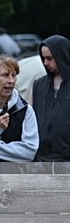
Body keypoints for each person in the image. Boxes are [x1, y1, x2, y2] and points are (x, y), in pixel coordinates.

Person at [31, 34, 70, 171]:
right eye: (43, 58)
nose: (46, 63)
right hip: (42, 162)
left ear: (62, 56)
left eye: (50, 58)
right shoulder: (39, 85)